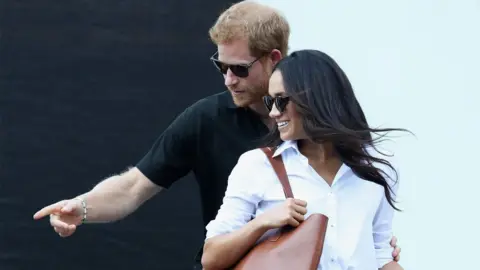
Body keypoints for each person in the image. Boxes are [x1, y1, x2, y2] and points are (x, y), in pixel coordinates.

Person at [32, 1, 401, 268]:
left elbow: (368, 233)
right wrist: (81, 208)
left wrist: (364, 248)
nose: (228, 80)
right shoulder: (208, 121)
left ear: (274, 58)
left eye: (239, 69)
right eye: (220, 66)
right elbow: (134, 187)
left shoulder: (335, 139)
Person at [201, 49, 407, 270]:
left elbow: (381, 254)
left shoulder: (376, 169)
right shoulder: (257, 166)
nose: (273, 112)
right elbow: (211, 257)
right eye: (270, 101)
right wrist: (262, 223)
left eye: (280, 100)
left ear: (314, 99)